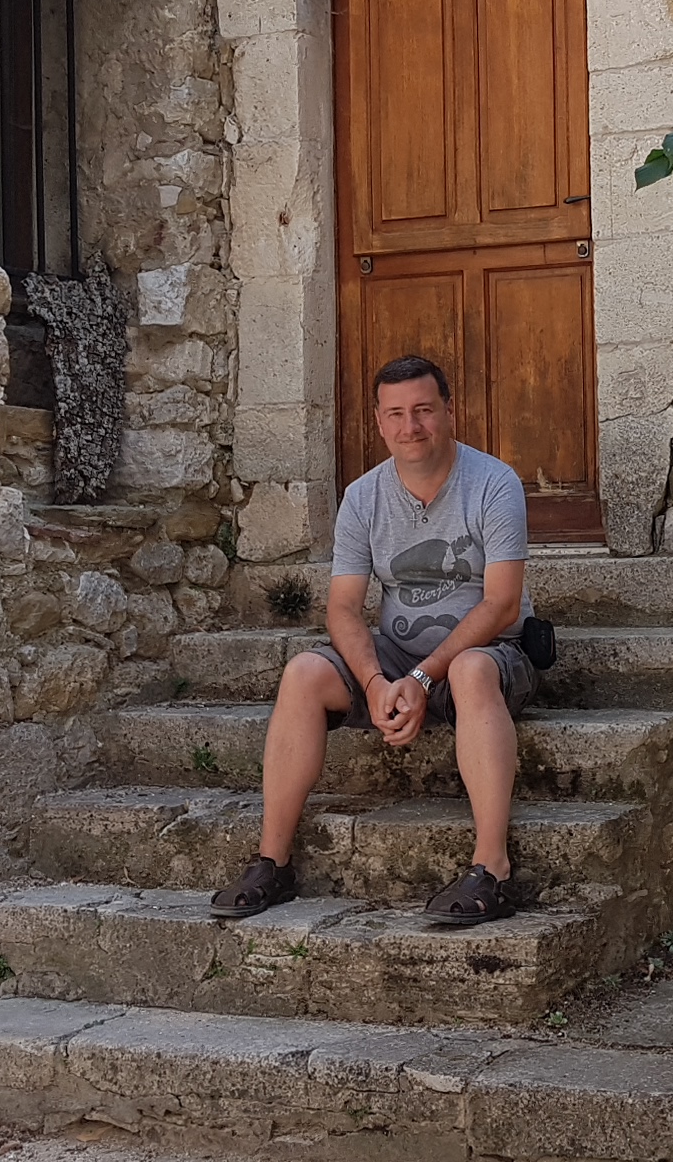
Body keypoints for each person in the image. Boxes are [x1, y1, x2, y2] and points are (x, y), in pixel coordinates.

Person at [209, 354, 537, 925]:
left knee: (470, 670)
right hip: (397, 657)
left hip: (491, 656)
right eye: (396, 414)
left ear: (450, 412)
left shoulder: (493, 483)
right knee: (304, 673)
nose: (411, 427)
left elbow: (502, 603)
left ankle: (493, 870)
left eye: (424, 410)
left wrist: (422, 677)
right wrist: (375, 682)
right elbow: (342, 608)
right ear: (379, 422)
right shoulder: (363, 497)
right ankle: (272, 862)